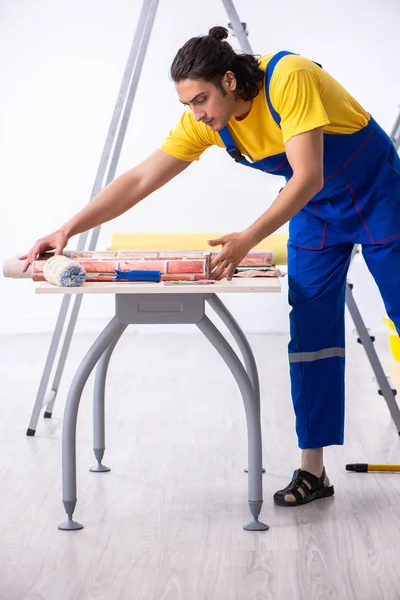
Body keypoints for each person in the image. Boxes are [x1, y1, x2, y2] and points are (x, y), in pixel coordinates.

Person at [21, 26, 400, 507]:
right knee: (310, 333)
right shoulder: (206, 122)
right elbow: (140, 178)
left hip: (376, 194)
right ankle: (314, 472)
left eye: (201, 99)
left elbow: (308, 173)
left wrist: (248, 238)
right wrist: (67, 229)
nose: (197, 114)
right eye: (188, 106)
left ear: (229, 80)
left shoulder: (290, 77)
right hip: (315, 210)